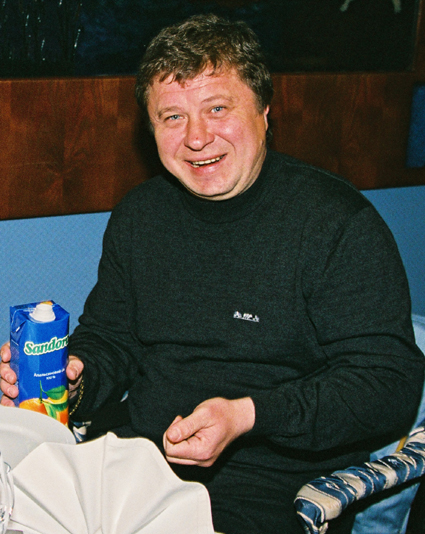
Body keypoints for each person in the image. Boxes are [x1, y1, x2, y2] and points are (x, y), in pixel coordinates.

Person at [1, 13, 424, 534]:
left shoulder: (336, 223)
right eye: (172, 117)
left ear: (264, 111)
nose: (197, 137)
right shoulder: (140, 215)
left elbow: (388, 384)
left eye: (217, 109)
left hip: (273, 489)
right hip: (139, 466)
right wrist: (72, 377)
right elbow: (112, 338)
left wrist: (247, 414)